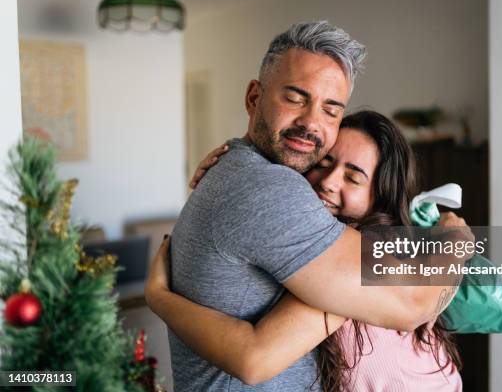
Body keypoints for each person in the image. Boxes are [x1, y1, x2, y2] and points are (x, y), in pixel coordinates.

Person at [156, 21, 472, 391]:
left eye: (331, 110)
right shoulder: (268, 188)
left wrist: (160, 299)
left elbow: (255, 357)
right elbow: (411, 302)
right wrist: (455, 240)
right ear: (254, 98)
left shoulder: (247, 174)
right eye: (295, 98)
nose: (311, 123)